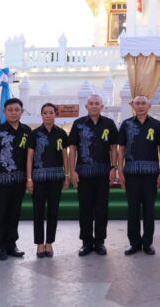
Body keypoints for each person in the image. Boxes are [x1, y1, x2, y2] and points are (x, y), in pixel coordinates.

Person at [69, 94, 118, 256]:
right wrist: (72, 171)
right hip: (83, 174)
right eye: (91, 103)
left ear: (102, 106)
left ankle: (100, 242)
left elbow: (113, 147)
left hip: (103, 174)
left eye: (97, 103)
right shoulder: (78, 124)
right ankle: (86, 242)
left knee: (102, 209)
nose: (94, 106)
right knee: (85, 209)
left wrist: (114, 167)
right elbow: (73, 148)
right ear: (86, 106)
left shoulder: (109, 124)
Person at [117, 96, 160, 256]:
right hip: (131, 174)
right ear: (133, 106)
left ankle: (148, 243)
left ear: (149, 106)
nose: (140, 106)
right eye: (137, 103)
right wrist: (120, 170)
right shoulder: (126, 124)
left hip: (151, 174)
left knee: (149, 210)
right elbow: (121, 149)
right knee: (133, 210)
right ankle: (134, 243)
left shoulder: (156, 125)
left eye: (143, 103)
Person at [0, 98, 30, 260]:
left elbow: (29, 156)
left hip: (19, 180)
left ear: (21, 112)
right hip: (1, 181)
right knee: (0, 214)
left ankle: (12, 244)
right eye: (10, 110)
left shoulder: (26, 131)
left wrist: (29, 178)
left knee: (14, 213)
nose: (13, 112)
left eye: (17, 110)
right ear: (4, 112)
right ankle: (0, 247)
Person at [26, 103, 70, 258]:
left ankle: (49, 243)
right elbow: (29, 157)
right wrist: (29, 178)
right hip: (38, 179)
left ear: (55, 114)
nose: (48, 115)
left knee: (53, 211)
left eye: (51, 112)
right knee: (38, 211)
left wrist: (67, 175)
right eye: (45, 113)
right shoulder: (34, 134)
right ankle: (39, 244)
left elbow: (65, 155)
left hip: (56, 178)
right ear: (41, 115)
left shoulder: (61, 133)